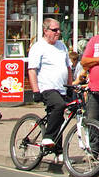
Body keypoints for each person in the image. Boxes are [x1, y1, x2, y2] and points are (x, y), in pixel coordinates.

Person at [27, 17, 70, 147]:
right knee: (59, 105)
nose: (58, 32)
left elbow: (68, 67)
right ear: (45, 31)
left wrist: (71, 86)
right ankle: (48, 136)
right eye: (54, 30)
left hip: (61, 88)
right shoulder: (38, 47)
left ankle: (58, 151)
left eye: (59, 30)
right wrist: (35, 91)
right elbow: (32, 70)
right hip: (47, 87)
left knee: (59, 119)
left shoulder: (62, 45)